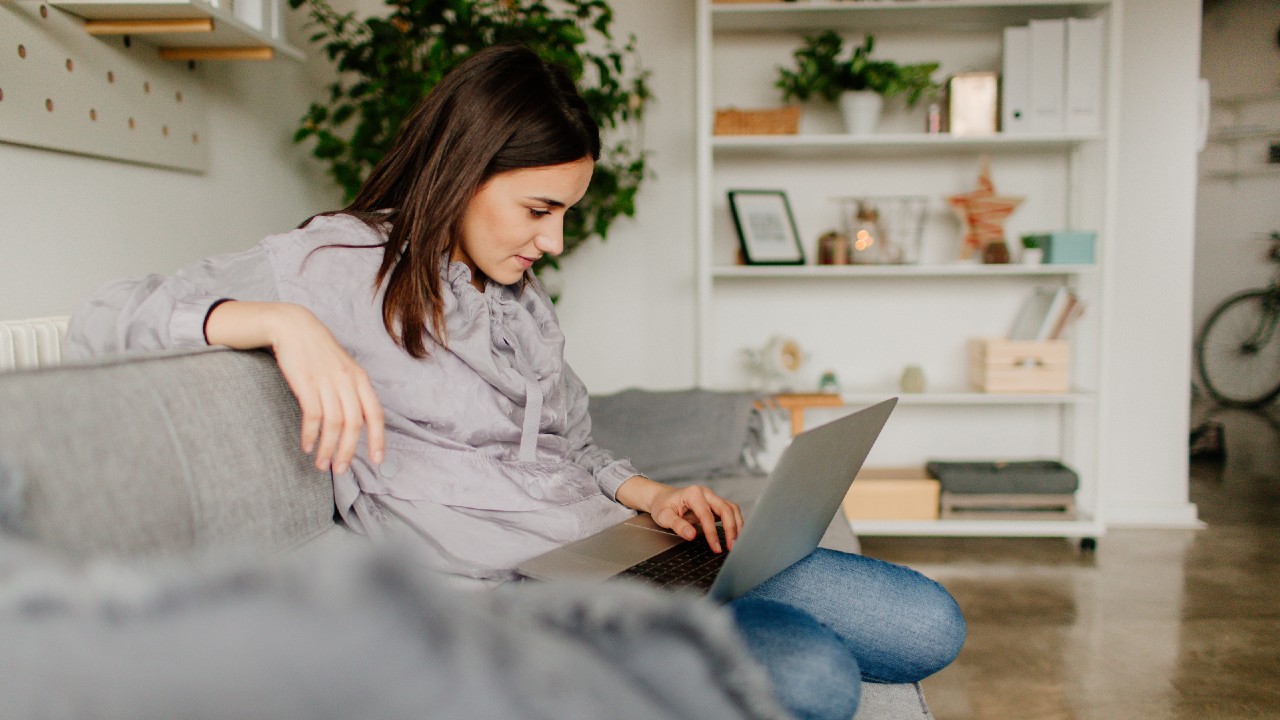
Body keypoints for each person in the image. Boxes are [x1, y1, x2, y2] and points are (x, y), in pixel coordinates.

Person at [66, 44, 964, 720]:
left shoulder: (515, 293)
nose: (555, 241)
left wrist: (651, 493)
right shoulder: (332, 266)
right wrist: (276, 321)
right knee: (813, 676)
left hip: (612, 542)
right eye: (540, 211)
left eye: (565, 213)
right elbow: (102, 317)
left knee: (928, 625)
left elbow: (570, 440)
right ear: (462, 171)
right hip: (517, 593)